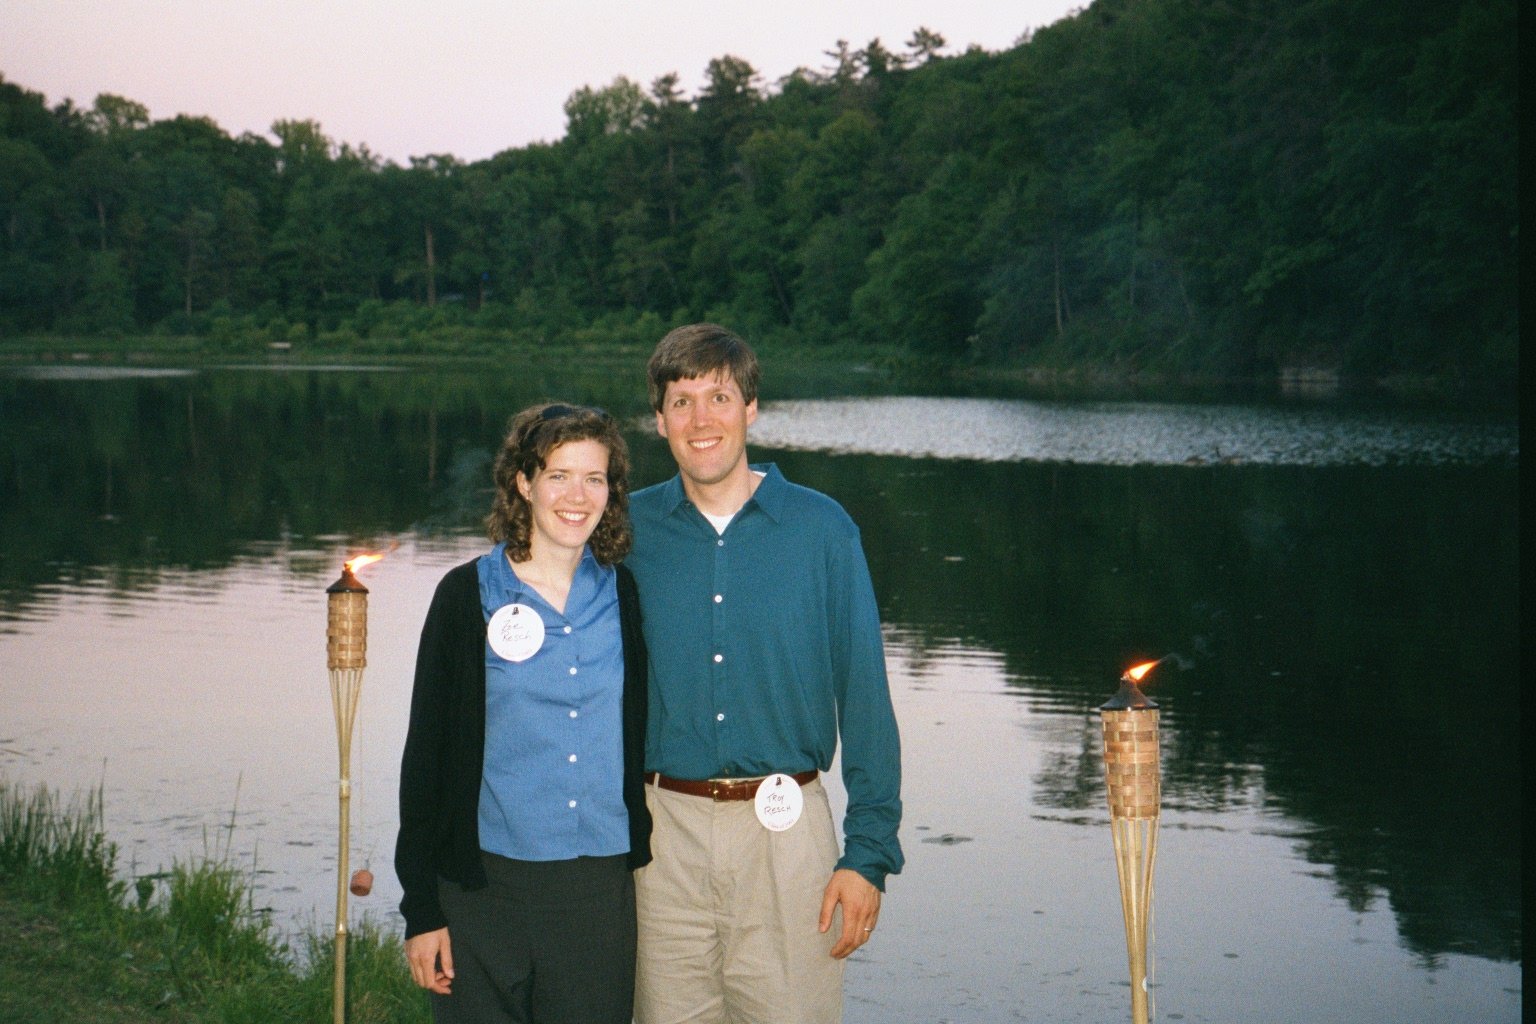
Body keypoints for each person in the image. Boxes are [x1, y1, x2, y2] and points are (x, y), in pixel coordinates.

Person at [625, 323, 903, 1024]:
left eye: (718, 396)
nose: (701, 419)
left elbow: (866, 698)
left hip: (789, 837)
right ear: (659, 420)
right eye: (681, 401)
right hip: (662, 842)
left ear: (751, 407)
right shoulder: (624, 535)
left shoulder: (823, 530)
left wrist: (867, 855)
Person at [394, 403, 652, 1024]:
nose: (577, 495)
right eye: (559, 474)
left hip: (595, 888)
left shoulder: (622, 593)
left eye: (595, 478)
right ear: (523, 482)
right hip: (483, 887)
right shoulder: (464, 595)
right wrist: (421, 910)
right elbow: (425, 755)